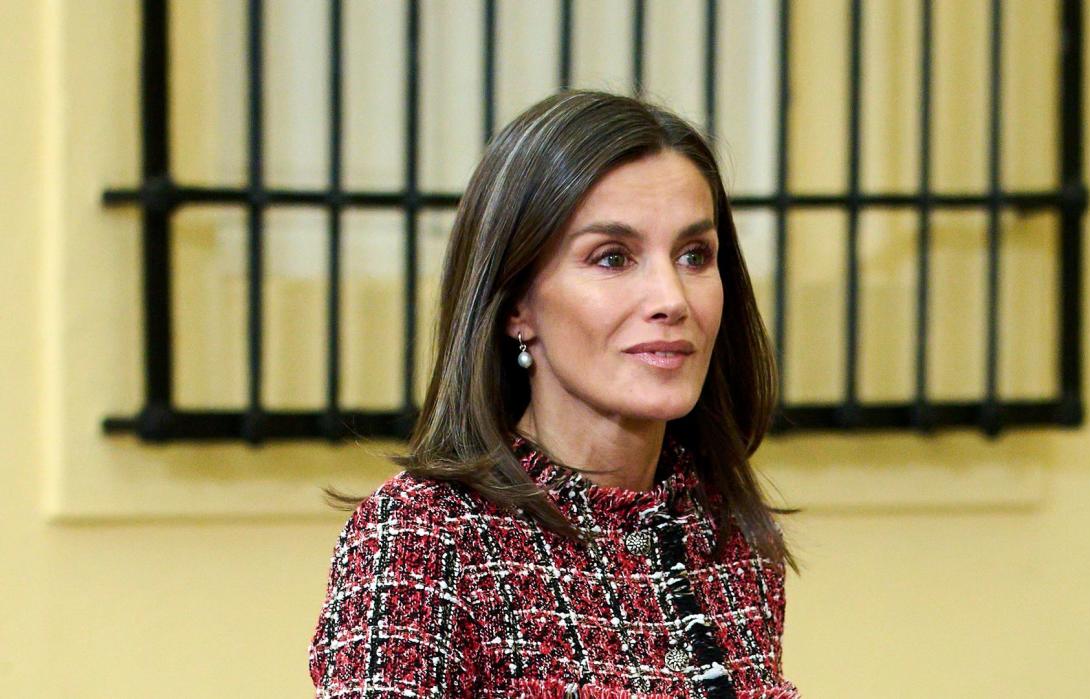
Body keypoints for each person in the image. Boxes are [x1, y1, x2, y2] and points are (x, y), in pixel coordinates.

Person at [308, 89, 800, 698]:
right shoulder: (424, 538)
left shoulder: (729, 537)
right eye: (613, 258)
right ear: (517, 305)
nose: (672, 299)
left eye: (694, 255)